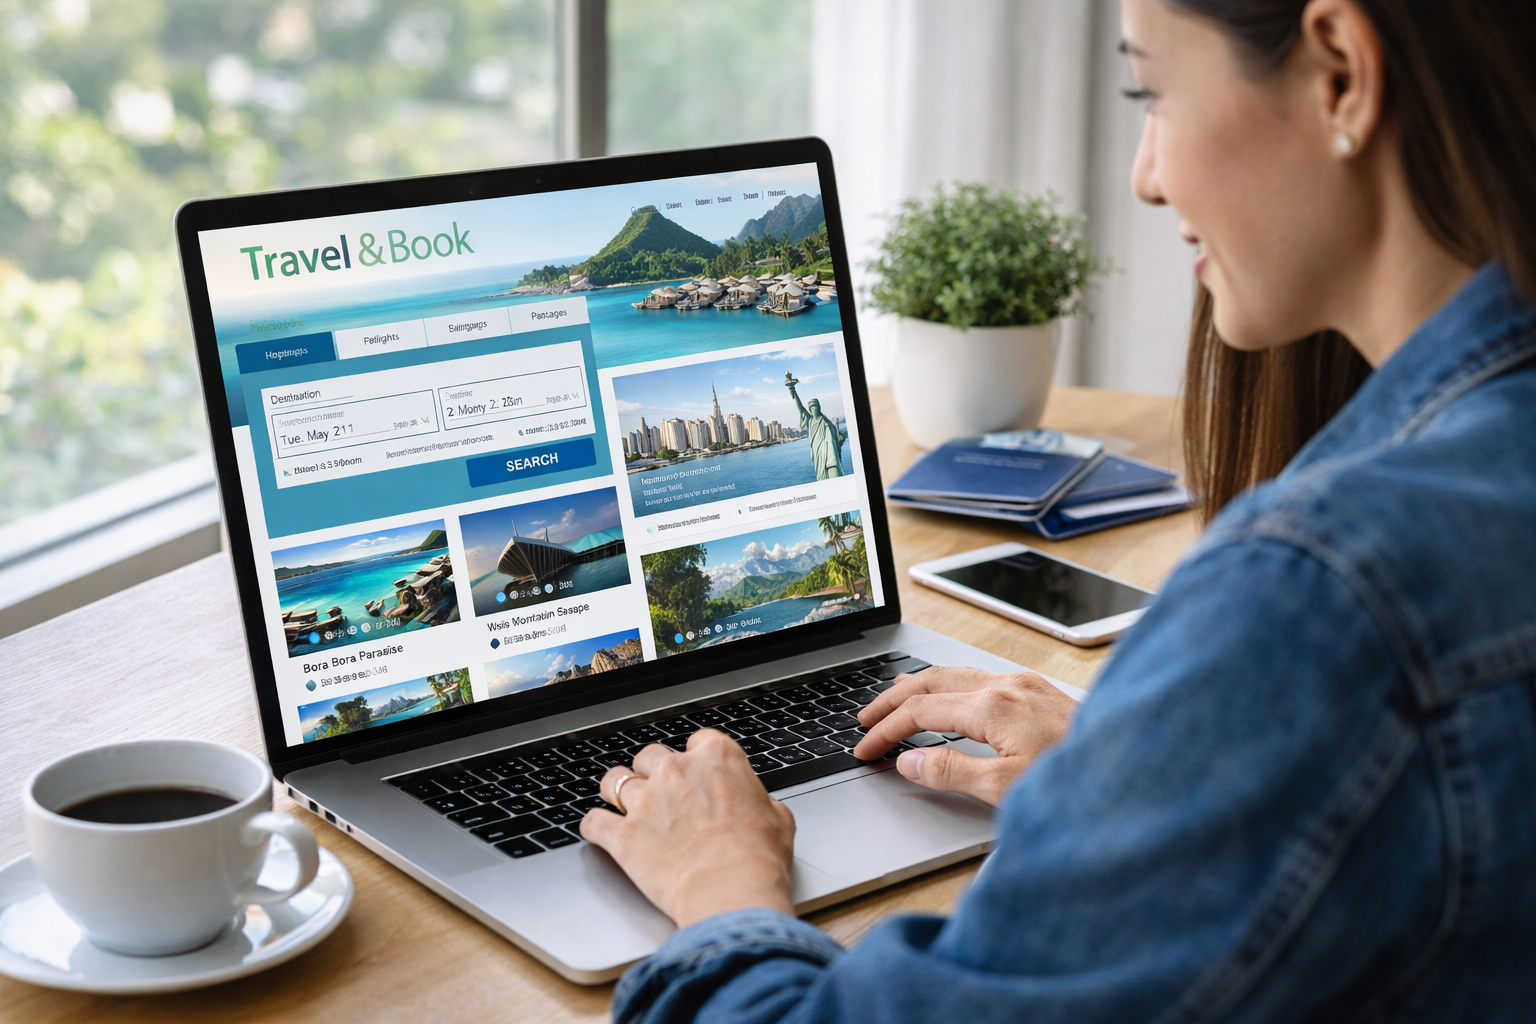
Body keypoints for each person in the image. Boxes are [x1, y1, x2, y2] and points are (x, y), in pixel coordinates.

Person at [579, 0, 1536, 1019]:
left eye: (1151, 91)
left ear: (1342, 71)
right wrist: (1166, 778)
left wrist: (720, 883)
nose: (1145, 174)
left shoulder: (1320, 596)